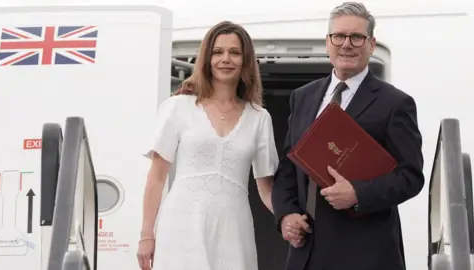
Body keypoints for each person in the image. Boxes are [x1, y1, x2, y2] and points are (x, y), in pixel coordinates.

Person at [271, 2, 424, 270]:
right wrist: (285, 214)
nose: (347, 44)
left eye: (357, 37)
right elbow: (288, 165)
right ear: (328, 42)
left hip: (366, 253)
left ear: (372, 44)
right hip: (306, 251)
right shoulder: (303, 97)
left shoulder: (396, 103)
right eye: (339, 36)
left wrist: (358, 194)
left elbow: (411, 177)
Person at [136, 21, 279, 270]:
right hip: (181, 225)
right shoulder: (178, 107)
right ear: (206, 58)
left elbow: (266, 189)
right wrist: (147, 234)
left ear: (245, 60)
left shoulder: (259, 118)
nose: (226, 59)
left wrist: (289, 218)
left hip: (233, 228)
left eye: (234, 52)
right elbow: (157, 177)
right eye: (217, 52)